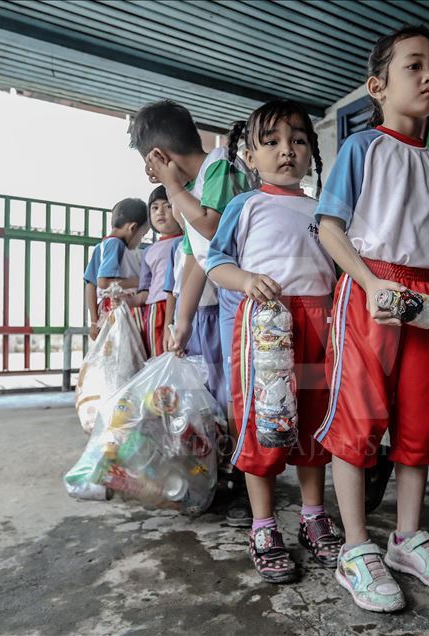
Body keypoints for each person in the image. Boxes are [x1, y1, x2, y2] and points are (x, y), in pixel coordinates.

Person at [314, 25, 429, 612]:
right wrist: (371, 280)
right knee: (357, 417)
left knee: (420, 421)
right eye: (414, 65)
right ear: (378, 85)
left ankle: (407, 538)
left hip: (428, 299)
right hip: (370, 293)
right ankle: (356, 547)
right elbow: (330, 228)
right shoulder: (362, 149)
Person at [207, 100, 343, 583]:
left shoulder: (324, 210)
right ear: (250, 154)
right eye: (272, 142)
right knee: (263, 423)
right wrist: (244, 280)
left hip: (319, 330)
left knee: (312, 419)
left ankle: (312, 516)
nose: (287, 150)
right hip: (266, 334)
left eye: (298, 140)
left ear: (311, 152)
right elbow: (215, 263)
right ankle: (264, 526)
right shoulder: (245, 205)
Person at [130, 99, 256, 526]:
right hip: (209, 310)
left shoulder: (220, 168)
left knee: (237, 398)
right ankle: (224, 475)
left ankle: (245, 482)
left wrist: (170, 186)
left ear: (160, 156)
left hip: (240, 306)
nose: (151, 176)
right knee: (216, 399)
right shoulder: (194, 190)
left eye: (151, 165)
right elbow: (195, 257)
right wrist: (180, 322)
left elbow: (210, 226)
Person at [83, 198, 149, 339]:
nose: (140, 240)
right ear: (132, 228)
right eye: (142, 235)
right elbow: (103, 282)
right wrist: (137, 282)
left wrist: (94, 321)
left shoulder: (100, 247)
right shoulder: (116, 244)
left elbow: (90, 285)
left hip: (105, 311)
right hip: (119, 310)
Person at [137, 186, 183, 356]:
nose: (160, 212)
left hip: (180, 306)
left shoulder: (186, 241)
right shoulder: (148, 251)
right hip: (154, 311)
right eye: (155, 208)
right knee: (156, 355)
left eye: (168, 206)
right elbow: (144, 290)